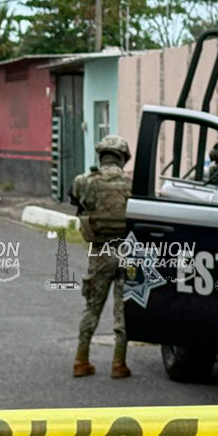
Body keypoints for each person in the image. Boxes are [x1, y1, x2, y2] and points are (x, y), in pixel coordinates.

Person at [69, 135, 132, 379]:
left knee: (92, 308)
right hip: (126, 252)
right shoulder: (130, 184)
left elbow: (75, 201)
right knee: (123, 309)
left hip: (100, 253)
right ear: (122, 157)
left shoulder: (84, 182)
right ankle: (119, 363)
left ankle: (81, 360)